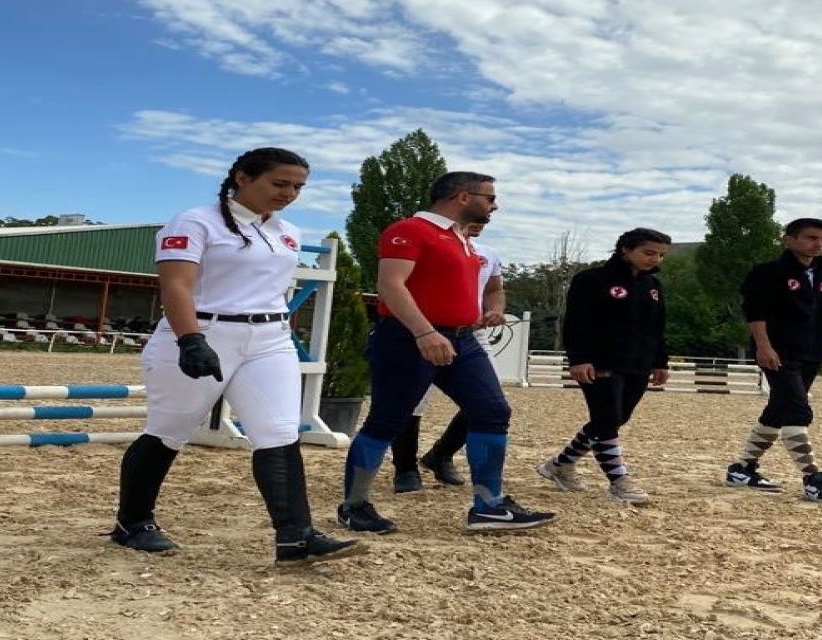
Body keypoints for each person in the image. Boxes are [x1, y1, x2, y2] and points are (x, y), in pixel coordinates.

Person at [108, 147, 361, 565]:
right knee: (168, 430)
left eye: (297, 186)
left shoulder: (287, 232)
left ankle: (296, 537)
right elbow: (176, 285)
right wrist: (190, 339)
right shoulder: (194, 222)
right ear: (242, 178)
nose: (289, 193)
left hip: (269, 338)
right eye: (279, 183)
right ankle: (132, 523)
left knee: (280, 433)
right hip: (202, 330)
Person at [337, 171, 555, 533]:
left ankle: (489, 505)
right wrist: (424, 331)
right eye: (489, 197)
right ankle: (354, 505)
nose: (495, 205)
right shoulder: (409, 230)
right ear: (463, 197)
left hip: (462, 339)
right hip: (408, 339)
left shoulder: (463, 240)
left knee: (492, 410)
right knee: (387, 420)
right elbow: (390, 285)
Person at [536, 228, 672, 504]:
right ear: (625, 249)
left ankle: (559, 465)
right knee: (607, 418)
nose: (655, 259)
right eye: (648, 252)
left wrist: (660, 361)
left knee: (616, 418)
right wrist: (579, 358)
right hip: (600, 362)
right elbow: (575, 323)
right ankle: (619, 481)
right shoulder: (591, 280)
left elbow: (657, 327)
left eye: (660, 255)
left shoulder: (654, 286)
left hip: (639, 363)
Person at [724, 218, 822, 503]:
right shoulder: (767, 272)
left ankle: (742, 469)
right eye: (811, 237)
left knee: (778, 411)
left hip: (811, 351)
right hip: (779, 352)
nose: (818, 243)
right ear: (789, 239)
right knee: (797, 410)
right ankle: (813, 480)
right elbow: (755, 312)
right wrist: (763, 346)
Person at [390, 222, 505, 493]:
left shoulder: (488, 252)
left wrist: (495, 309)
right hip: (427, 330)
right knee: (414, 400)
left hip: (472, 335)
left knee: (490, 401)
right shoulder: (431, 244)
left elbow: (494, 289)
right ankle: (405, 467)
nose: (482, 221)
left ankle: (441, 454)